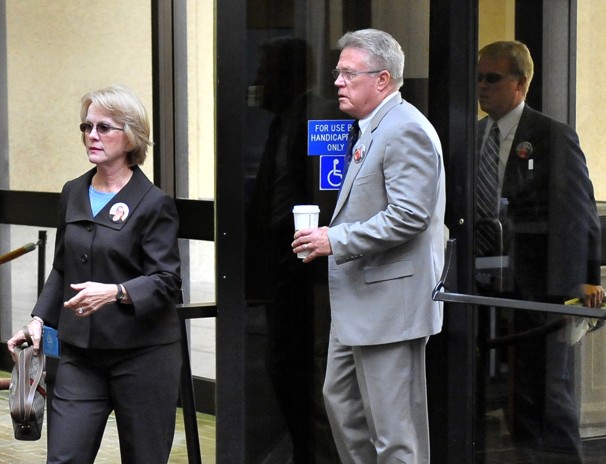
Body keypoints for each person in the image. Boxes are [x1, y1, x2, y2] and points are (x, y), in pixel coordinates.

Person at [292, 29, 446, 463]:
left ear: (382, 79)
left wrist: (334, 238)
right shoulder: (372, 127)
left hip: (390, 306)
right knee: (342, 405)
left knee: (394, 433)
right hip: (359, 304)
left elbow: (410, 215)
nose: (337, 82)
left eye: (348, 73)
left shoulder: (405, 129)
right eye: (337, 72)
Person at [7, 84, 182, 464]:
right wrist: (38, 320)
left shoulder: (154, 203)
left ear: (130, 136)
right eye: (86, 127)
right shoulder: (73, 191)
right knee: (64, 458)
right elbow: (61, 267)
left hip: (143, 355)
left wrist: (116, 291)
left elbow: (167, 280)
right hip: (80, 355)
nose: (92, 135)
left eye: (104, 127)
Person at [475, 41, 603, 463]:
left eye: (493, 78)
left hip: (541, 287)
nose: (482, 86)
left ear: (521, 83)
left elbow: (578, 212)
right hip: (485, 285)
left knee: (549, 395)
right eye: (479, 78)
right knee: (510, 401)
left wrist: (584, 282)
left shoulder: (552, 136)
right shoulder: (473, 137)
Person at [245, 36, 341, 463]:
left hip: (309, 271)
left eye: (265, 73)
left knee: (302, 368)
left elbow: (326, 197)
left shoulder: (319, 118)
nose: (256, 83)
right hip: (285, 269)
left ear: (289, 76)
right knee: (284, 365)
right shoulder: (285, 120)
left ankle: (315, 455)